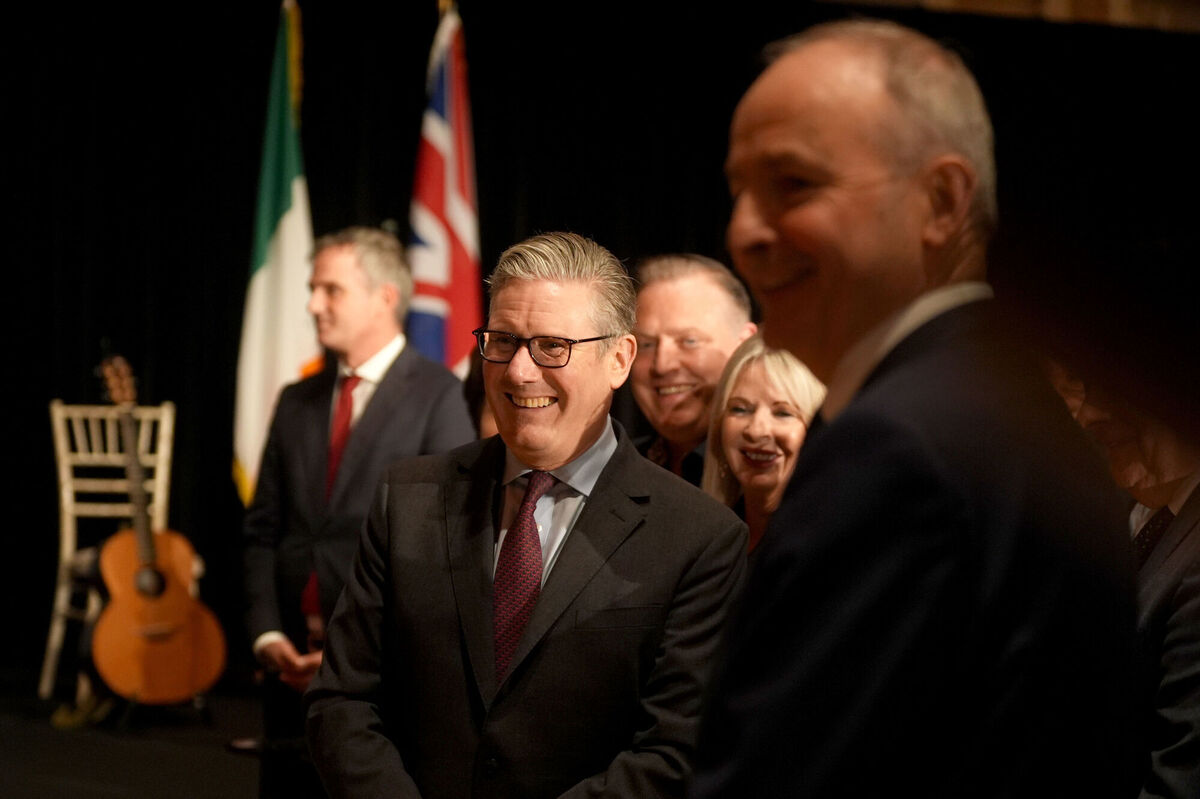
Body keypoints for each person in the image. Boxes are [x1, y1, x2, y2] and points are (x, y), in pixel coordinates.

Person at [692, 18, 1141, 797]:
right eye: (738, 189)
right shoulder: (998, 398)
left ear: (941, 200)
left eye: (793, 184)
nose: (743, 232)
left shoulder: (900, 445)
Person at [304, 231, 747, 799]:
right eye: (503, 341)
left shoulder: (699, 538)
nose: (518, 371)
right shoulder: (408, 498)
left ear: (619, 359)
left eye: (552, 347)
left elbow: (675, 750)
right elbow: (342, 700)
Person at [242, 226, 474, 798]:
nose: (313, 303)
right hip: (287, 668)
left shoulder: (440, 395)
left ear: (385, 297)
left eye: (331, 289)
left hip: (377, 674)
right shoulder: (297, 399)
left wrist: (355, 650)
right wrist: (269, 634)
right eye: (312, 288)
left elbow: (443, 546)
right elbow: (263, 528)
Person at [1049, 361, 1200, 799]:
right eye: (1086, 384)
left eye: (1115, 385)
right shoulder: (1102, 491)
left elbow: (1180, 781)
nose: (1089, 413)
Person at [630, 254, 756, 484]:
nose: (663, 365)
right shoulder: (610, 473)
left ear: (745, 345)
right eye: (646, 344)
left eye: (689, 341)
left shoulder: (778, 472)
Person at [701, 334, 824, 552]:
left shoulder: (835, 545)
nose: (756, 430)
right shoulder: (704, 537)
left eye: (783, 413)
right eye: (740, 409)